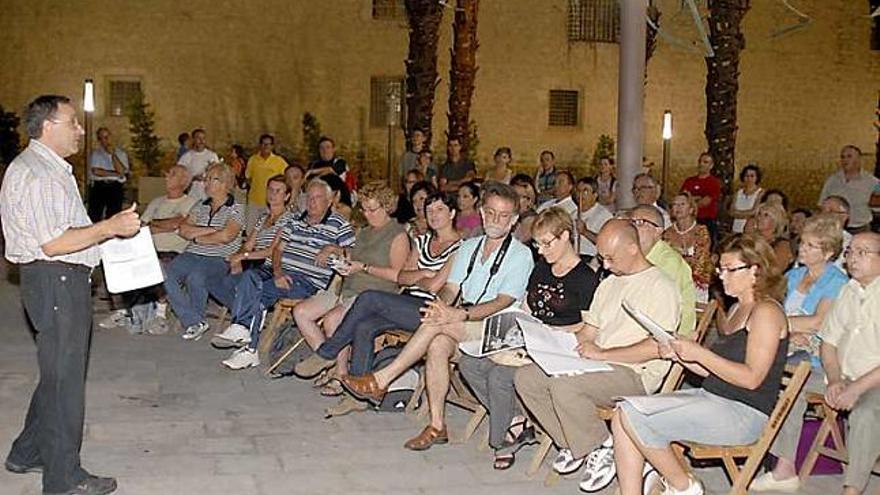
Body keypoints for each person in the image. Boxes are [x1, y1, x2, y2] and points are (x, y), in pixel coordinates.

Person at [1, 94, 141, 495]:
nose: (80, 129)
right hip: (56, 278)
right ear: (48, 126)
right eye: (73, 122)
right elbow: (54, 243)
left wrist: (102, 239)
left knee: (58, 372)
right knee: (66, 382)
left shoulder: (41, 167)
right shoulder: (41, 174)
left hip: (52, 280)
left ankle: (27, 452)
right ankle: (63, 478)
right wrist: (110, 227)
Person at [341, 182, 533, 451]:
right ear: (481, 211)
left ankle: (382, 379)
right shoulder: (469, 247)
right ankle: (437, 426)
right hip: (463, 325)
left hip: (496, 329)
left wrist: (458, 313)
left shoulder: (521, 255)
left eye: (503, 216)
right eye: (490, 212)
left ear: (514, 221)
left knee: (438, 322)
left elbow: (502, 302)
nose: (495, 220)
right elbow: (450, 288)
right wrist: (440, 305)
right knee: (437, 341)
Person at [611, 234, 789, 495]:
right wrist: (680, 354)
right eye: (721, 269)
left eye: (730, 270)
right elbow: (715, 370)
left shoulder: (767, 313)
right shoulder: (738, 310)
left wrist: (699, 353)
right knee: (622, 412)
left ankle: (683, 486)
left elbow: (751, 378)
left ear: (755, 271)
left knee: (633, 415)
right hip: (714, 398)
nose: (722, 276)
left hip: (743, 413)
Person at [515, 220, 680, 478]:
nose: (605, 265)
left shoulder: (661, 287)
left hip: (634, 373)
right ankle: (579, 443)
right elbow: (588, 332)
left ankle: (601, 445)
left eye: (611, 258)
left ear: (633, 248)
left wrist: (602, 354)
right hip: (597, 365)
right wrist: (551, 347)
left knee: (564, 387)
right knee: (527, 377)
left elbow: (657, 347)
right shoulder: (610, 283)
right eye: (602, 258)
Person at [293, 191, 461, 413]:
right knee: (364, 325)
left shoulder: (460, 247)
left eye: (440, 210)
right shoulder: (422, 240)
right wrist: (424, 274)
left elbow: (434, 287)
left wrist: (421, 277)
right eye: (429, 210)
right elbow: (403, 277)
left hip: (432, 311)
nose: (433, 215)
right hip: (406, 301)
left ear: (452, 213)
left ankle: (328, 352)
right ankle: (358, 398)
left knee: (369, 298)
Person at [459, 207, 599, 470]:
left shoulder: (585, 278)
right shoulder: (541, 269)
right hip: (532, 339)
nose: (541, 251)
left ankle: (503, 442)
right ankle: (517, 420)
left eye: (547, 244)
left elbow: (589, 327)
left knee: (500, 376)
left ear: (565, 236)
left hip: (561, 346)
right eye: (537, 244)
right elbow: (527, 307)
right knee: (470, 364)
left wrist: (554, 333)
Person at [754, 232, 880, 495]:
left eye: (862, 253)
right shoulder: (848, 291)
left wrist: (854, 388)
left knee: (866, 414)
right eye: (850, 252)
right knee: (790, 385)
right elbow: (829, 343)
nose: (852, 259)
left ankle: (852, 489)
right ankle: (785, 470)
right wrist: (834, 380)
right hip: (840, 374)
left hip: (873, 381)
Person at [748, 218, 849, 493]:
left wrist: (778, 325)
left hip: (823, 363)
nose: (802, 249)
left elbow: (818, 322)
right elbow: (771, 309)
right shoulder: (793, 275)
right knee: (750, 371)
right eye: (802, 242)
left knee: (791, 390)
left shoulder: (837, 282)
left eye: (811, 245)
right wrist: (786, 330)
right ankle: (748, 445)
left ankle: (785, 469)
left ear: (828, 252)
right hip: (790, 351)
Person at [215, 178, 355, 369]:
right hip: (282, 273)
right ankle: (243, 331)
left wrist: (332, 248)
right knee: (249, 277)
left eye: (318, 198)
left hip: (307, 281)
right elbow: (278, 250)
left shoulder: (339, 224)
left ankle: (248, 345)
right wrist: (278, 272)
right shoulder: (296, 221)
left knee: (259, 292)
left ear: (330, 201)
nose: (312, 202)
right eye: (309, 198)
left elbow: (353, 254)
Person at [292, 182, 410, 390]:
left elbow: (398, 276)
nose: (367, 215)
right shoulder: (364, 232)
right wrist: (340, 256)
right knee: (301, 312)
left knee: (332, 320)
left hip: (373, 292)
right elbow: (354, 257)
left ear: (387, 207)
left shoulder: (397, 235)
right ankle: (329, 361)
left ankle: (340, 373)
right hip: (347, 286)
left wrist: (363, 267)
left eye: (373, 210)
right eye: (364, 210)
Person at [110, 165, 197, 335]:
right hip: (147, 248)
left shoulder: (191, 203)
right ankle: (124, 311)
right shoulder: (157, 202)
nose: (166, 176)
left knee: (159, 266)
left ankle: (160, 314)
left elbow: (178, 224)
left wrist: (156, 224)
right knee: (115, 261)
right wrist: (165, 225)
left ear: (184, 181)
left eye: (171, 174)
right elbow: (141, 226)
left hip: (173, 251)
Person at [164, 162, 244, 341]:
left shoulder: (236, 208)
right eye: (206, 179)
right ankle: (195, 321)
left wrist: (198, 235)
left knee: (196, 277)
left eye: (211, 179)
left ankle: (195, 320)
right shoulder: (201, 205)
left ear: (225, 184)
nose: (206, 184)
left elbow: (226, 236)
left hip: (219, 257)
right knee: (164, 274)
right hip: (192, 252)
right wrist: (211, 230)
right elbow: (183, 229)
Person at [209, 175, 293, 316]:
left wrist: (243, 256)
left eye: (278, 191)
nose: (273, 194)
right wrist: (238, 258)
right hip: (255, 263)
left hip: (273, 266)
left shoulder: (288, 219)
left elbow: (272, 251)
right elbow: (248, 244)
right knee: (213, 280)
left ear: (287, 196)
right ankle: (249, 312)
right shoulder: (263, 217)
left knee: (244, 278)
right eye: (270, 190)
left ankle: (244, 315)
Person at [630, 205, 697, 335]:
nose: (632, 228)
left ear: (658, 231)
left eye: (640, 223)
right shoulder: (631, 255)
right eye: (630, 222)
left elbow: (665, 310)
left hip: (669, 333)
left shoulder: (669, 262)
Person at [664, 192, 713, 302]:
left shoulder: (701, 231)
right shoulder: (667, 233)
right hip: (672, 283)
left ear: (691, 209)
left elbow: (700, 261)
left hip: (696, 284)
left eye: (682, 204)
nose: (678, 207)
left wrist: (678, 259)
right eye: (675, 204)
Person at [818, 145, 878, 233]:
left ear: (859, 159)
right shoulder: (832, 180)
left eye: (849, 156)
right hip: (836, 230)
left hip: (861, 229)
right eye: (842, 157)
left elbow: (877, 207)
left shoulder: (873, 182)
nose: (845, 160)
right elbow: (821, 203)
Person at [244, 134, 289, 234]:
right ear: (260, 145)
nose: (266, 147)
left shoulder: (279, 161)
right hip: (254, 201)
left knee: (267, 232)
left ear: (272, 146)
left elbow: (288, 177)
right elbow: (248, 178)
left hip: (271, 203)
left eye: (268, 144)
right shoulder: (253, 160)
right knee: (250, 230)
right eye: (264, 144)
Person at [87, 127, 129, 222]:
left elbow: (122, 171)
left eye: (107, 137)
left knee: (113, 215)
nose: (105, 141)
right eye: (102, 138)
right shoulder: (96, 154)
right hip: (99, 186)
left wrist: (112, 155)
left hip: (115, 187)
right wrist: (117, 174)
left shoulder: (121, 154)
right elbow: (97, 172)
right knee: (94, 215)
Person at [680, 152, 722, 243]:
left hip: (706, 221)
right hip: (689, 220)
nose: (701, 164)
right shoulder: (689, 181)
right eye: (700, 161)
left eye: (705, 162)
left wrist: (691, 199)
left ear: (711, 165)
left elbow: (704, 202)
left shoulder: (714, 183)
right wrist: (697, 198)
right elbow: (682, 199)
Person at [748, 203, 794, 273]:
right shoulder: (752, 239)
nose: (759, 218)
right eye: (759, 214)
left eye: (766, 215)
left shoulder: (782, 244)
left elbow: (776, 270)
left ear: (775, 220)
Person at [177, 128, 220, 202]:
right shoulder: (186, 157)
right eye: (198, 138)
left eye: (203, 138)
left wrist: (212, 172)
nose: (201, 141)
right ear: (193, 139)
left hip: (208, 196)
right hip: (192, 195)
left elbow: (219, 175)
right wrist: (193, 178)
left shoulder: (212, 156)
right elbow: (179, 175)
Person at [576, 176, 613, 258]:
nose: (580, 195)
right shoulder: (573, 213)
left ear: (595, 195)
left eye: (585, 191)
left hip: (592, 258)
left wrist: (585, 232)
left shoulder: (604, 215)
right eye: (578, 191)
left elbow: (607, 243)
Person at [729, 164, 764, 234]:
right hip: (736, 229)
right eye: (747, 176)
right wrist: (746, 214)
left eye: (752, 176)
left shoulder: (760, 193)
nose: (749, 179)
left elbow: (754, 211)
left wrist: (738, 213)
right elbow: (731, 211)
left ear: (757, 177)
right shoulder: (738, 192)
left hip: (751, 231)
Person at [511, 175, 539, 245]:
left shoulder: (531, 221)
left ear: (529, 200)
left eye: (520, 196)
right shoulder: (509, 216)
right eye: (512, 195)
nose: (515, 199)